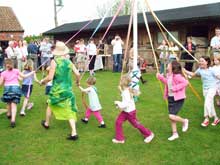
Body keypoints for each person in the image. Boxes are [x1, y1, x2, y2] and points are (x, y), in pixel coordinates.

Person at [40, 41, 80, 141]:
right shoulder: (69, 62)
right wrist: (77, 82)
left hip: (57, 90)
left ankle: (47, 123)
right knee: (69, 109)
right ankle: (74, 133)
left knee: (50, 104)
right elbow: (78, 74)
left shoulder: (54, 62)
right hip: (68, 90)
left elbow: (50, 77)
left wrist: (42, 81)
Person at [112, 74, 154, 144]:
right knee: (118, 122)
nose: (120, 81)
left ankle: (149, 134)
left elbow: (125, 104)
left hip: (130, 112)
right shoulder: (127, 90)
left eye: (121, 80)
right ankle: (120, 139)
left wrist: (117, 103)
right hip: (126, 111)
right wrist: (120, 90)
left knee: (136, 124)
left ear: (123, 82)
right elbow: (125, 97)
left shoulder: (126, 92)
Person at [157, 61, 189, 141]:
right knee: (172, 117)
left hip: (178, 99)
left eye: (168, 65)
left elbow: (185, 82)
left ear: (172, 67)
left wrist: (175, 88)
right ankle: (175, 134)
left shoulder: (177, 76)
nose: (167, 66)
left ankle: (184, 121)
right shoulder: (169, 75)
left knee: (171, 116)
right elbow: (167, 83)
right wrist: (160, 77)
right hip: (171, 98)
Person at [184, 56, 220, 127]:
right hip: (205, 89)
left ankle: (206, 119)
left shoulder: (212, 70)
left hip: (212, 88)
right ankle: (216, 118)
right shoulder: (200, 69)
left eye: (202, 61)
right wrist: (184, 70)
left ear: (207, 62)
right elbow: (193, 74)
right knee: (210, 104)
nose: (200, 62)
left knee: (207, 103)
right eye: (200, 61)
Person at [0, 59, 35, 127]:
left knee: (8, 102)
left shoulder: (3, 73)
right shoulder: (16, 71)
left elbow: (0, 83)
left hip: (7, 88)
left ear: (5, 65)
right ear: (12, 64)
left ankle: (8, 114)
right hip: (16, 88)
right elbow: (24, 76)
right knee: (14, 104)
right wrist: (32, 72)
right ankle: (13, 120)